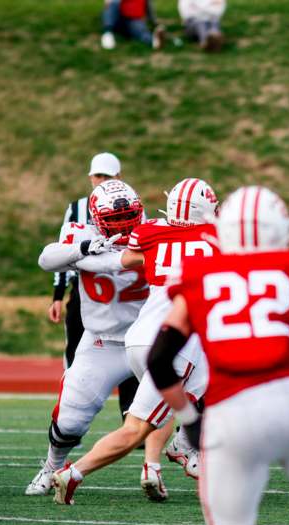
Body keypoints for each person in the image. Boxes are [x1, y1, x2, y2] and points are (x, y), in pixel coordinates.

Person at [127, 185, 289, 525]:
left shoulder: (199, 275)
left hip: (230, 412)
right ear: (279, 227)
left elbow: (159, 358)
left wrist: (188, 417)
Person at [49, 178, 219, 504]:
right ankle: (73, 473)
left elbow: (124, 260)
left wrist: (82, 255)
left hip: (141, 337)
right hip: (172, 345)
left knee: (209, 385)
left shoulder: (151, 231)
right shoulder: (218, 239)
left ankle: (183, 446)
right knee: (135, 430)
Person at [26, 180, 148, 497]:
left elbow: (123, 261)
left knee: (202, 393)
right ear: (95, 218)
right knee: (70, 421)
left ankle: (189, 450)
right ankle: (52, 467)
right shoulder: (83, 236)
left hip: (151, 338)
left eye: (128, 216)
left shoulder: (155, 233)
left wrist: (98, 259)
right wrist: (81, 249)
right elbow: (46, 259)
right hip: (102, 343)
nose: (123, 225)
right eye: (114, 219)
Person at [48, 152, 141, 422]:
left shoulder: (134, 207)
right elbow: (59, 254)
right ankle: (70, 405)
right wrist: (58, 294)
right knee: (77, 350)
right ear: (91, 177)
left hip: (127, 294)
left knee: (132, 355)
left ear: (118, 178)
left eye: (107, 177)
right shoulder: (77, 209)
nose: (101, 181)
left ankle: (132, 415)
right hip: (86, 290)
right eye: (98, 176)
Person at [101, 0, 165, 51]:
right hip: (118, 19)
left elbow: (149, 9)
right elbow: (110, 6)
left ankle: (154, 41)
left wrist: (155, 23)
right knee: (112, 3)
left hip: (134, 20)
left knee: (140, 30)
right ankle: (108, 33)